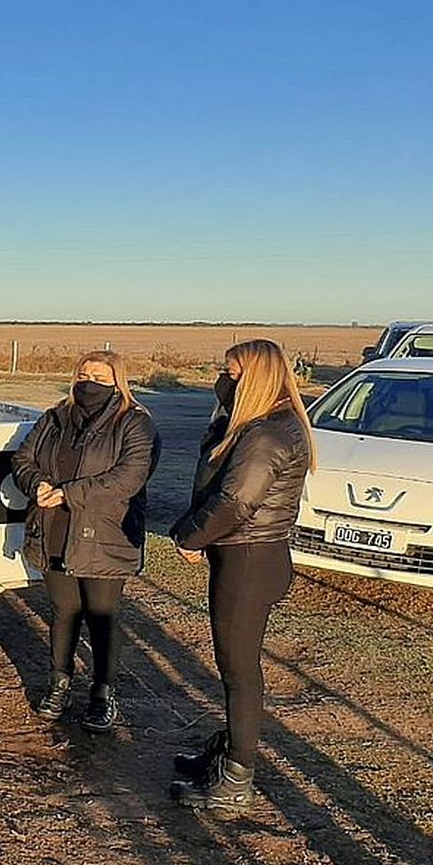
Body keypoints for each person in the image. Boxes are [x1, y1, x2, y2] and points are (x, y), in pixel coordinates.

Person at [168, 339, 314, 818]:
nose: (221, 377)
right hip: (245, 555)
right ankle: (227, 752)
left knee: (240, 673)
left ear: (254, 377)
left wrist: (189, 537)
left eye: (230, 371)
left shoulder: (268, 434)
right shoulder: (256, 425)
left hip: (249, 560)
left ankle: (237, 776)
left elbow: (236, 502)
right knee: (234, 668)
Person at [11, 351, 159, 731]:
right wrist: (38, 485)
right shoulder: (55, 417)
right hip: (54, 530)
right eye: (83, 373)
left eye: (99, 375)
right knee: (63, 613)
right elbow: (23, 459)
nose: (88, 380)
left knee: (102, 618)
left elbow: (128, 479)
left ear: (117, 381)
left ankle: (103, 693)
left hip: (104, 535)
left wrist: (69, 494)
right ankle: (59, 682)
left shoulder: (134, 422)